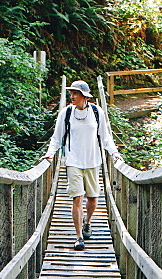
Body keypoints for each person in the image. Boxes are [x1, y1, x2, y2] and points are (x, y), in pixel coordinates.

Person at [42, 80, 122, 251]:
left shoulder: (96, 112)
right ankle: (79, 237)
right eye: (71, 93)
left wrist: (114, 153)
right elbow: (57, 137)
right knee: (77, 198)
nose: (72, 96)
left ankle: (88, 222)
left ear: (84, 96)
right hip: (73, 161)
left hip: (93, 161)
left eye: (75, 93)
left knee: (93, 199)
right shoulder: (66, 113)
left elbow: (105, 137)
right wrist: (50, 153)